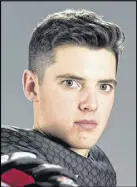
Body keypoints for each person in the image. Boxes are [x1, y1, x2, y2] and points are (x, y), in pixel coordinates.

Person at [1, 9, 125, 187]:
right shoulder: (10, 155)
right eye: (70, 83)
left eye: (104, 86)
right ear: (32, 86)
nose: (91, 104)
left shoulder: (102, 167)